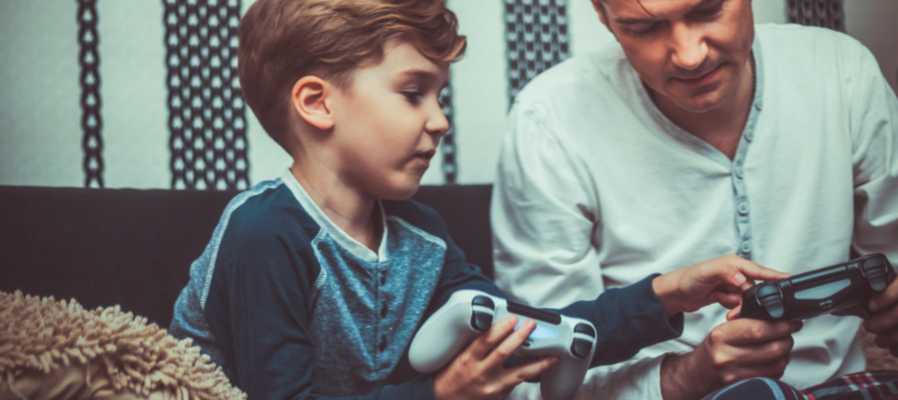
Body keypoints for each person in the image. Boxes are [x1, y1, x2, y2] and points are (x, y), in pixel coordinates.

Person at [166, 0, 788, 399]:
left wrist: (664, 295)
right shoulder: (264, 233)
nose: (440, 120)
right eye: (414, 93)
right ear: (317, 102)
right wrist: (440, 395)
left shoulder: (421, 236)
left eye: (440, 96)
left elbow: (531, 334)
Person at [490, 0, 898, 399]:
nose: (690, 55)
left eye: (709, 9)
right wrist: (684, 376)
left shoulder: (839, 71)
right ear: (603, 16)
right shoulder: (547, 123)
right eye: (644, 27)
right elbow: (535, 375)